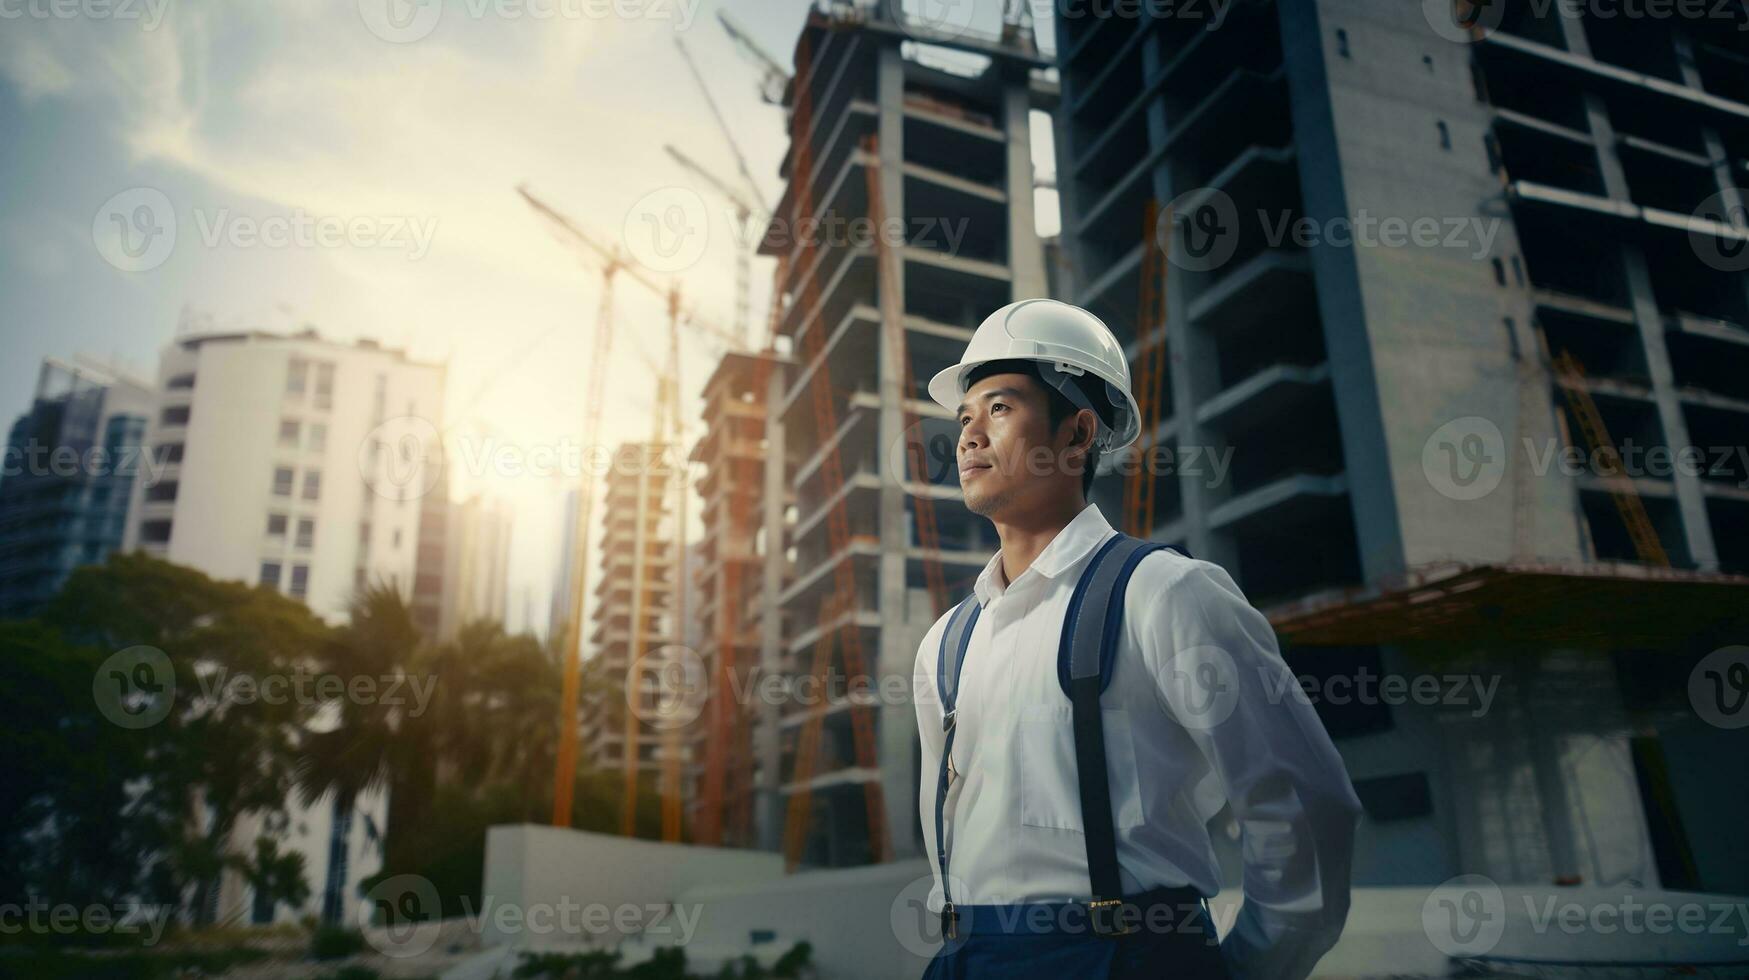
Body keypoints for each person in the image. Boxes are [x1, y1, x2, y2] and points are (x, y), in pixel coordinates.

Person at [912, 299, 1364, 979]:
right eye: (965, 417)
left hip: (1126, 955)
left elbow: (1304, 806)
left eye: (999, 409)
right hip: (965, 958)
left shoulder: (1166, 593)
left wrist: (1245, 971)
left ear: (1076, 434)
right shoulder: (944, 643)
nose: (970, 436)